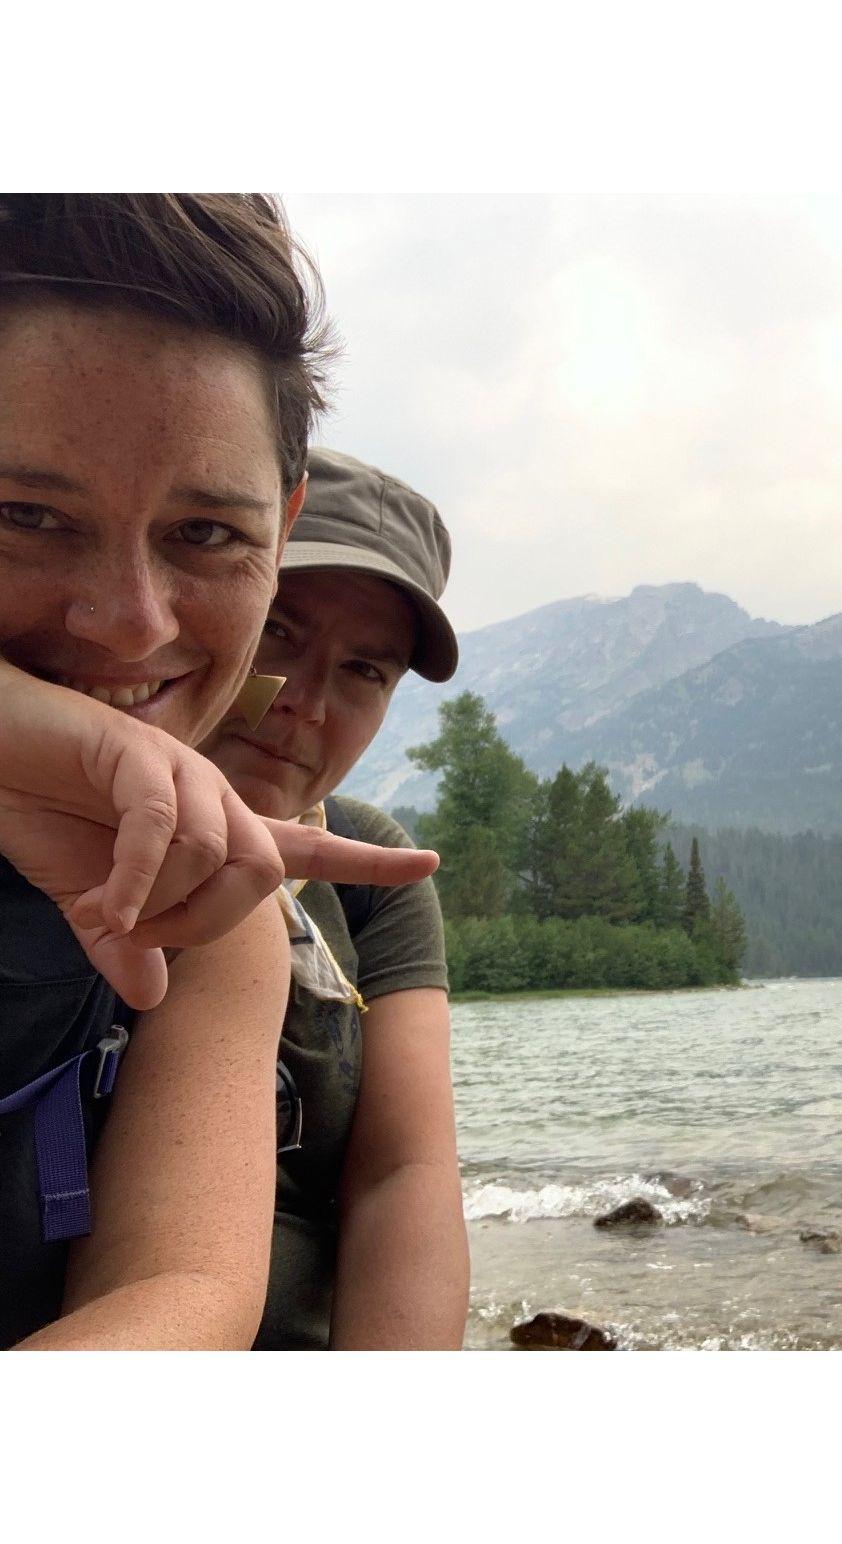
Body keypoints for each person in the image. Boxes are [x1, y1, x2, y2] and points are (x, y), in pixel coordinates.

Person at [0, 194, 435, 1348]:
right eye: (27, 513)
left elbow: (185, 1292)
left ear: (277, 529)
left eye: (205, 535)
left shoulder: (222, 906)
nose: (130, 626)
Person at [202, 448, 469, 1348]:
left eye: (365, 671)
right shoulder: (50, 822)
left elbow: (405, 1175)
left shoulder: (372, 874)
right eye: (279, 628)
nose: (307, 703)